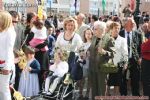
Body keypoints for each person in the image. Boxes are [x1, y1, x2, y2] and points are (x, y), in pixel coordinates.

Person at [88, 21, 115, 99]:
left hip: (102, 70)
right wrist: (86, 52)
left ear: (101, 30)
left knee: (101, 90)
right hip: (92, 68)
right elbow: (91, 49)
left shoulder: (109, 39)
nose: (93, 30)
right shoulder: (94, 38)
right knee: (94, 90)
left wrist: (104, 52)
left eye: (95, 29)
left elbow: (113, 54)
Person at [119, 17, 142, 96]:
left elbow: (140, 48)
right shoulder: (120, 33)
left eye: (133, 23)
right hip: (123, 60)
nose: (133, 24)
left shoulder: (138, 34)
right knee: (123, 79)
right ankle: (123, 95)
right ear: (125, 24)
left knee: (135, 79)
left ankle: (136, 95)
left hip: (134, 60)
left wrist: (140, 57)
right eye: (131, 23)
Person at [107, 22, 128, 96]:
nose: (117, 30)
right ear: (111, 29)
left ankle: (116, 96)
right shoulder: (107, 38)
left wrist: (125, 63)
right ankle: (106, 96)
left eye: (118, 28)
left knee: (117, 83)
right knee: (107, 83)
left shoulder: (123, 40)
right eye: (115, 28)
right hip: (108, 64)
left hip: (118, 64)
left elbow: (125, 52)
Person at [0, 10, 16, 100]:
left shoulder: (10, 32)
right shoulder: (2, 31)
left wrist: (6, 67)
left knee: (4, 90)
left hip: (4, 65)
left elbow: (9, 50)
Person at [78, 28, 93, 99]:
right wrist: (82, 55)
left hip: (91, 64)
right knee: (82, 80)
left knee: (90, 80)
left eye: (89, 33)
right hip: (83, 64)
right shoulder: (82, 44)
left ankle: (87, 95)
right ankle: (80, 94)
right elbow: (80, 54)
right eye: (86, 33)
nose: (88, 35)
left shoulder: (93, 44)